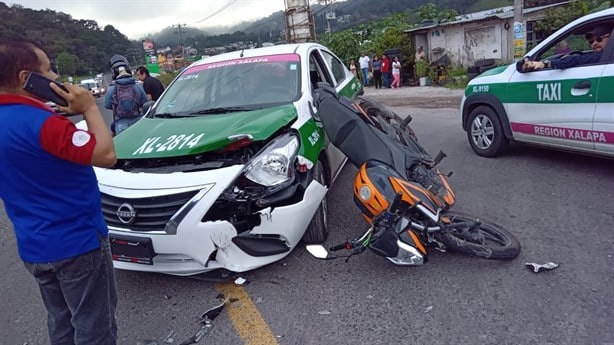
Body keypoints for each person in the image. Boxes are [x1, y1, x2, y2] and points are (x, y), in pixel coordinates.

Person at [0, 38, 118, 345]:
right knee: (94, 326)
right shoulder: (45, 124)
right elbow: (106, 154)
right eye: (48, 69)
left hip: (34, 246)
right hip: (77, 244)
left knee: (62, 321)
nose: (54, 77)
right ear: (27, 78)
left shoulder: (36, 121)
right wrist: (90, 107)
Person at [523, 24, 612, 71]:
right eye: (591, 41)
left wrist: (544, 64)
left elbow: (579, 60)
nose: (594, 44)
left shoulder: (608, 56)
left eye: (599, 39)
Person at [104, 55, 148, 135]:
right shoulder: (137, 86)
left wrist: (118, 106)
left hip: (121, 122)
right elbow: (145, 101)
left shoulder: (112, 88)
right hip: (138, 120)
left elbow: (107, 105)